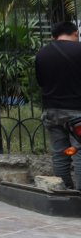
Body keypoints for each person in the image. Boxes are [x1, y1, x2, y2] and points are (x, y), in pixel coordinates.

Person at [34, 21, 81, 189]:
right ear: (75, 33)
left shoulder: (42, 54)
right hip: (77, 112)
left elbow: (41, 81)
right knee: (79, 152)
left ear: (54, 36)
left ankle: (65, 193)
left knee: (60, 154)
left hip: (51, 111)